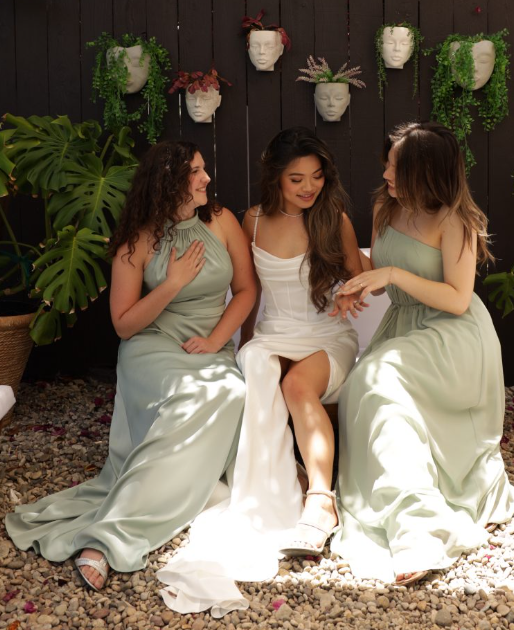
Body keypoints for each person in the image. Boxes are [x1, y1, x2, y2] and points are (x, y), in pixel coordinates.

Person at [5, 140, 256, 591]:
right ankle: (109, 537)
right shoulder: (137, 239)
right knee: (188, 398)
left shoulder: (221, 221)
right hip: (151, 346)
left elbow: (246, 291)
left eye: (203, 169)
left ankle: (146, 503)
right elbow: (123, 324)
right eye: (195, 173)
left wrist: (218, 341)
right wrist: (173, 283)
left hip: (206, 344)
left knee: (229, 390)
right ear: (168, 185)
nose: (206, 179)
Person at [157, 126, 362, 615]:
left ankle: (319, 499)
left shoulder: (334, 218)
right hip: (273, 333)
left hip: (326, 337)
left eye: (315, 177)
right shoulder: (249, 222)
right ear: (275, 179)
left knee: (295, 384)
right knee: (255, 363)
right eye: (296, 180)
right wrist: (241, 345)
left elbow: (359, 276)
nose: (308, 188)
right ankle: (271, 482)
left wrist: (353, 291)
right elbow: (250, 294)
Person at [332, 121, 514, 586]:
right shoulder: (384, 206)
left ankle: (418, 529)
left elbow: (457, 298)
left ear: (425, 171)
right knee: (369, 390)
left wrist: (392, 275)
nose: (387, 173)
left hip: (453, 335)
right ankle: (408, 505)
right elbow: (382, 272)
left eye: (396, 167)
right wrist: (356, 286)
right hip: (403, 327)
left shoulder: (454, 220)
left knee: (376, 381)